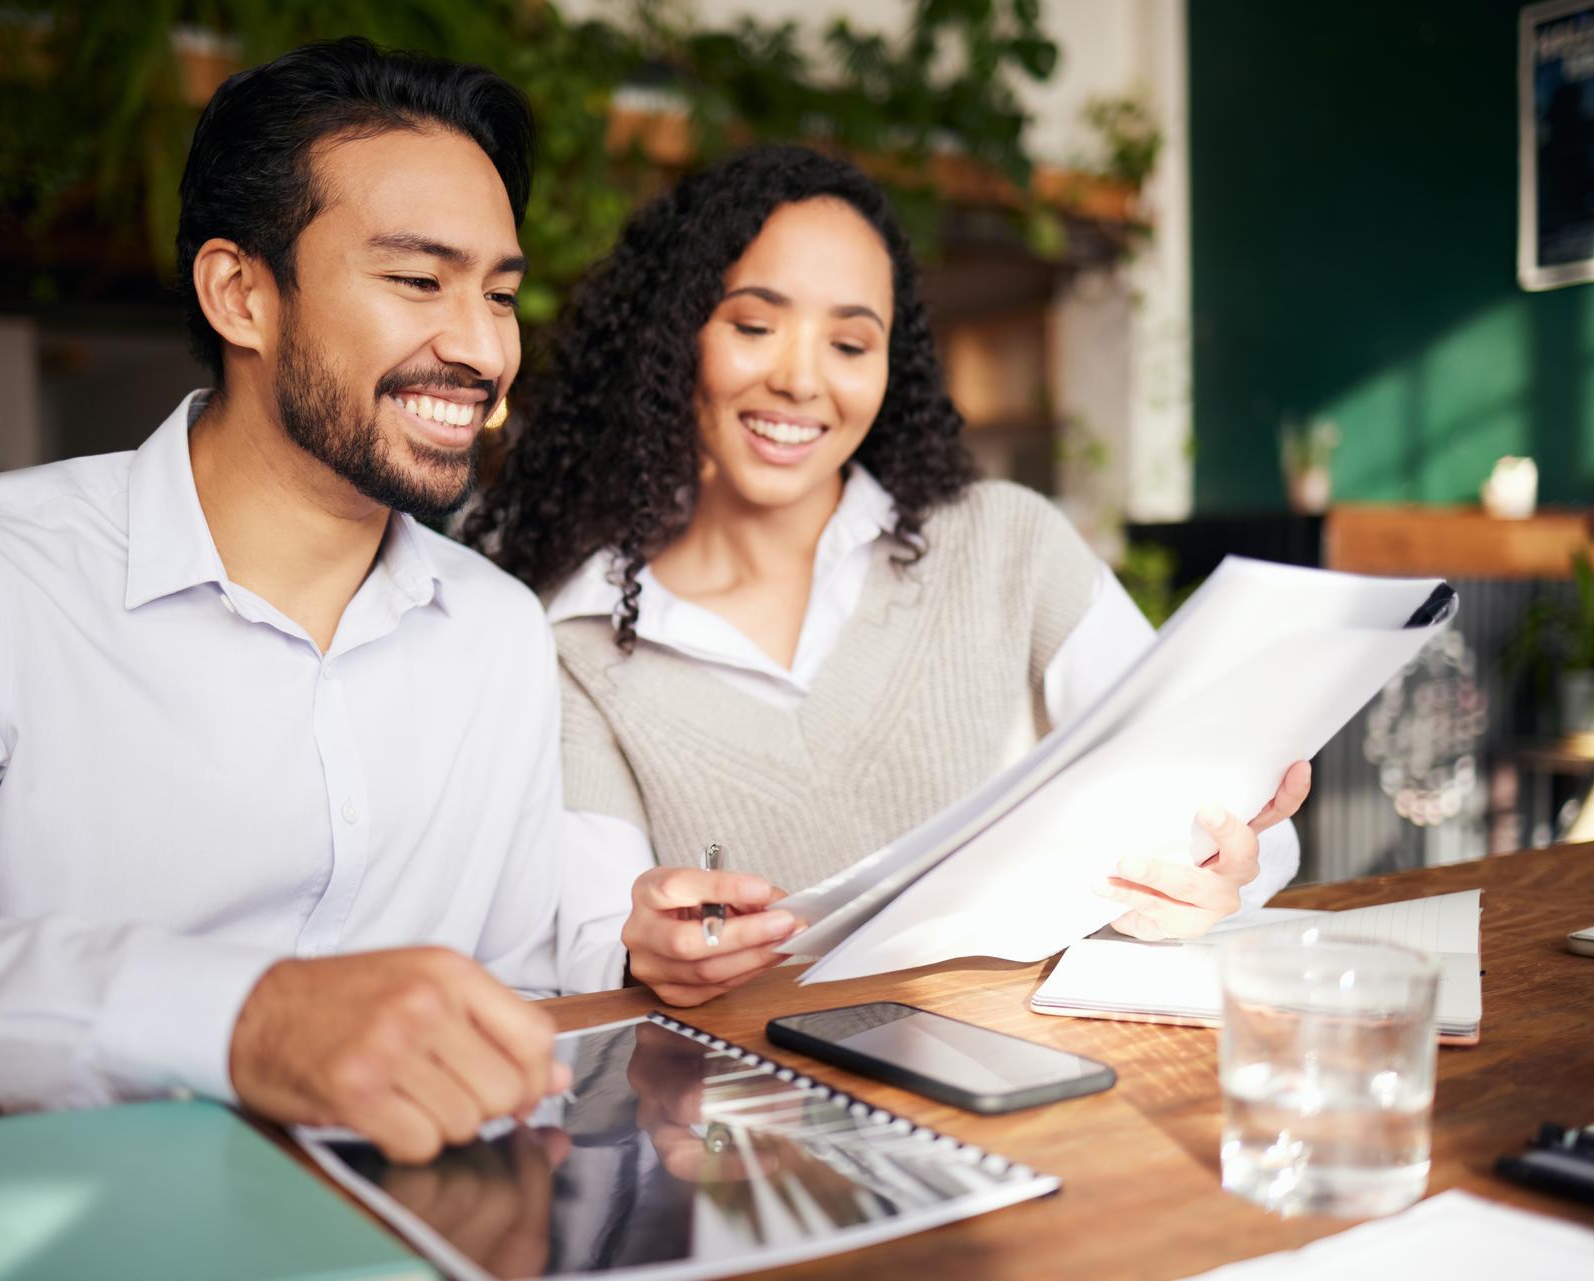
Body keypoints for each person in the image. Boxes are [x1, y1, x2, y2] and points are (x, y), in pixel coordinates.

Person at [0, 38, 622, 1162]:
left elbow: (522, 992)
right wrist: (240, 1019)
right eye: (416, 280)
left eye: (500, 292)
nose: (484, 347)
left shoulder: (494, 630)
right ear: (241, 293)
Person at [467, 146, 1311, 1006]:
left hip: (1040, 1085)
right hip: (771, 1116)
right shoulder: (578, 643)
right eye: (754, 326)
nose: (800, 379)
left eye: (849, 341)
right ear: (673, 337)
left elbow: (1241, 828)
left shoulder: (1007, 545)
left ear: (888, 367)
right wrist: (641, 945)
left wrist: (1208, 874)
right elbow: (592, 940)